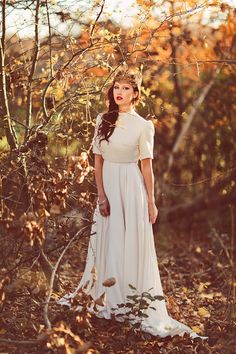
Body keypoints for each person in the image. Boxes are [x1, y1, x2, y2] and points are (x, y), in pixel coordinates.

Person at [58, 68, 207, 339]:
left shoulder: (143, 126)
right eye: (117, 86)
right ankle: (109, 298)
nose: (120, 92)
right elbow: (98, 161)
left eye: (126, 88)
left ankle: (131, 301)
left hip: (132, 187)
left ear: (135, 94)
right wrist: (101, 195)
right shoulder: (102, 119)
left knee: (130, 243)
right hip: (109, 187)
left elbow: (146, 167)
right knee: (109, 241)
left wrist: (151, 202)